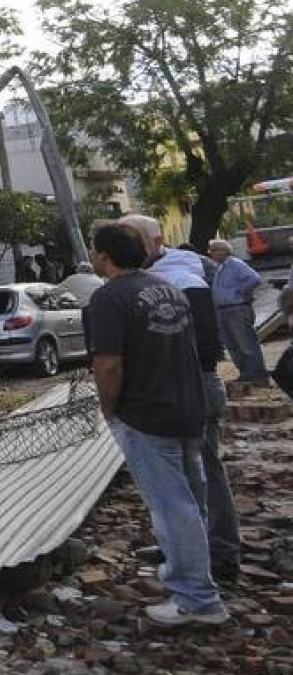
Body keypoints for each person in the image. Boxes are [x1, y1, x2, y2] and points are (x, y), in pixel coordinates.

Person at [84, 222, 225, 625]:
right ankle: (192, 574)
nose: (92, 255)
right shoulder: (169, 289)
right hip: (187, 409)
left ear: (105, 255)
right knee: (191, 500)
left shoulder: (108, 298)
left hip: (146, 415)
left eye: (94, 248)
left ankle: (197, 599)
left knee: (171, 507)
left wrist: (109, 409)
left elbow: (108, 365)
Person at [122, 215, 240, 583]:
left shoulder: (183, 278)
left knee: (205, 470)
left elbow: (206, 345)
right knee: (176, 475)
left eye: (133, 239)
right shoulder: (149, 277)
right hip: (168, 387)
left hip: (194, 384)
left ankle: (221, 551)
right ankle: (183, 546)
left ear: (157, 242)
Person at [208, 239, 270, 383]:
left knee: (246, 343)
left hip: (236, 308)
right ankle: (246, 374)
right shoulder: (220, 267)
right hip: (224, 309)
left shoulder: (235, 264)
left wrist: (239, 293)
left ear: (223, 251)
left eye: (214, 250)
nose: (211, 253)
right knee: (233, 345)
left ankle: (258, 376)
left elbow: (254, 279)